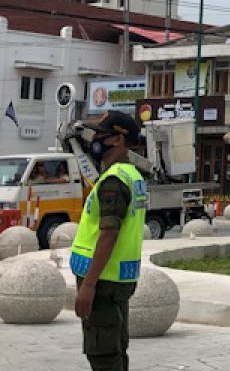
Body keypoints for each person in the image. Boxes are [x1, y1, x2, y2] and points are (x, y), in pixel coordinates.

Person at [70, 111, 147, 371]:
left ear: (117, 140)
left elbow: (109, 233)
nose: (95, 139)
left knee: (103, 355)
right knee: (115, 351)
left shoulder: (114, 181)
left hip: (103, 281)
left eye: (100, 134)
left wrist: (89, 285)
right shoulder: (132, 175)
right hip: (118, 278)